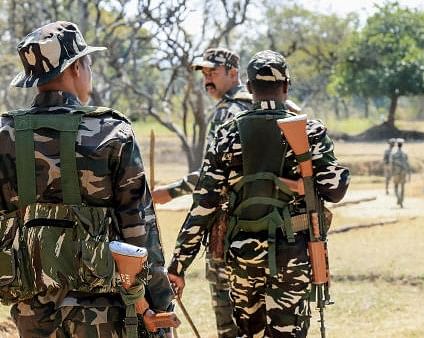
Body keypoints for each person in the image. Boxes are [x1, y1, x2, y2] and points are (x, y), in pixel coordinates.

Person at [0, 21, 173, 337]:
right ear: (77, 67)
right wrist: (159, 303)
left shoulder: (6, 135)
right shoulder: (112, 132)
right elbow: (139, 230)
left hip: (30, 309)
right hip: (102, 309)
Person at [167, 50, 350, 338]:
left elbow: (204, 205)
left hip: (242, 258)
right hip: (293, 255)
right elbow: (336, 189)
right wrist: (303, 183)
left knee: (248, 333)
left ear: (249, 87)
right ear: (286, 86)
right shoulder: (309, 131)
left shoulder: (227, 134)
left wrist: (178, 266)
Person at [152, 47, 251, 338]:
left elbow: (213, 176)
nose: (207, 79)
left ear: (234, 73)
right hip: (265, 229)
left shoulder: (229, 112)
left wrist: (171, 191)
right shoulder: (259, 104)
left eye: (214, 73)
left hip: (228, 228)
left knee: (230, 323)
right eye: (205, 74)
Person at [391, 138, 411, 207]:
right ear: (402, 145)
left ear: (397, 144)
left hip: (396, 172)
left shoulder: (393, 153)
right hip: (403, 171)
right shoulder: (405, 153)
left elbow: (392, 164)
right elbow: (407, 163)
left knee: (396, 186)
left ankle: (398, 198)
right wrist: (409, 173)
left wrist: (392, 172)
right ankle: (401, 200)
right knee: (402, 186)